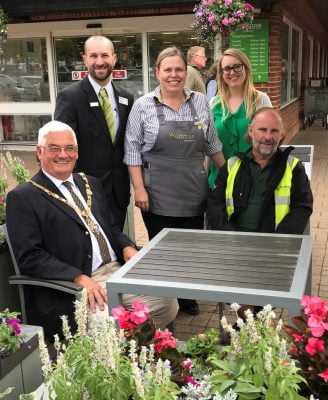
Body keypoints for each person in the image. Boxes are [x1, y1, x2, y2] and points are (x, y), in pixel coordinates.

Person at [6, 121, 178, 339]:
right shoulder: (24, 197)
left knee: (166, 302)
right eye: (54, 148)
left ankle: (135, 352)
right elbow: (30, 257)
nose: (63, 154)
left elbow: (111, 228)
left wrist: (126, 247)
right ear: (39, 152)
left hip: (118, 271)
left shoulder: (90, 183)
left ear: (77, 153)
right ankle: (125, 359)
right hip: (76, 285)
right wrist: (79, 278)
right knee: (110, 326)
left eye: (69, 148)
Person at [124, 46, 225, 315]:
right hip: (156, 194)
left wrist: (228, 175)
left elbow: (212, 143)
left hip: (193, 190)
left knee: (191, 249)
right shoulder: (143, 106)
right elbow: (132, 151)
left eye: (178, 69)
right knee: (161, 249)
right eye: (167, 69)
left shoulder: (201, 102)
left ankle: (187, 295)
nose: (174, 75)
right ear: (157, 73)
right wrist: (139, 189)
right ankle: (165, 299)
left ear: (186, 72)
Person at [54, 35, 133, 230]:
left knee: (117, 243)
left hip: (118, 193)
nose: (100, 62)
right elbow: (61, 147)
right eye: (94, 55)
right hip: (85, 193)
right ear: (85, 59)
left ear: (114, 58)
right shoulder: (70, 97)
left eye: (105, 55)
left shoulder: (126, 98)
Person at [207, 107, 313, 234]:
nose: (268, 137)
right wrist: (230, 237)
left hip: (275, 244)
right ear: (251, 130)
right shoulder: (231, 165)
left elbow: (302, 207)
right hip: (233, 241)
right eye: (262, 129)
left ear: (282, 134)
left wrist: (279, 241)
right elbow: (215, 205)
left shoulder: (294, 168)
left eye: (274, 131)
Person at [208, 48, 272, 188]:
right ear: (221, 73)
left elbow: (272, 139)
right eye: (227, 68)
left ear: (246, 68)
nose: (232, 72)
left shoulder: (261, 100)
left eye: (237, 66)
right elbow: (209, 144)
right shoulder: (214, 104)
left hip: (253, 181)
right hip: (220, 181)